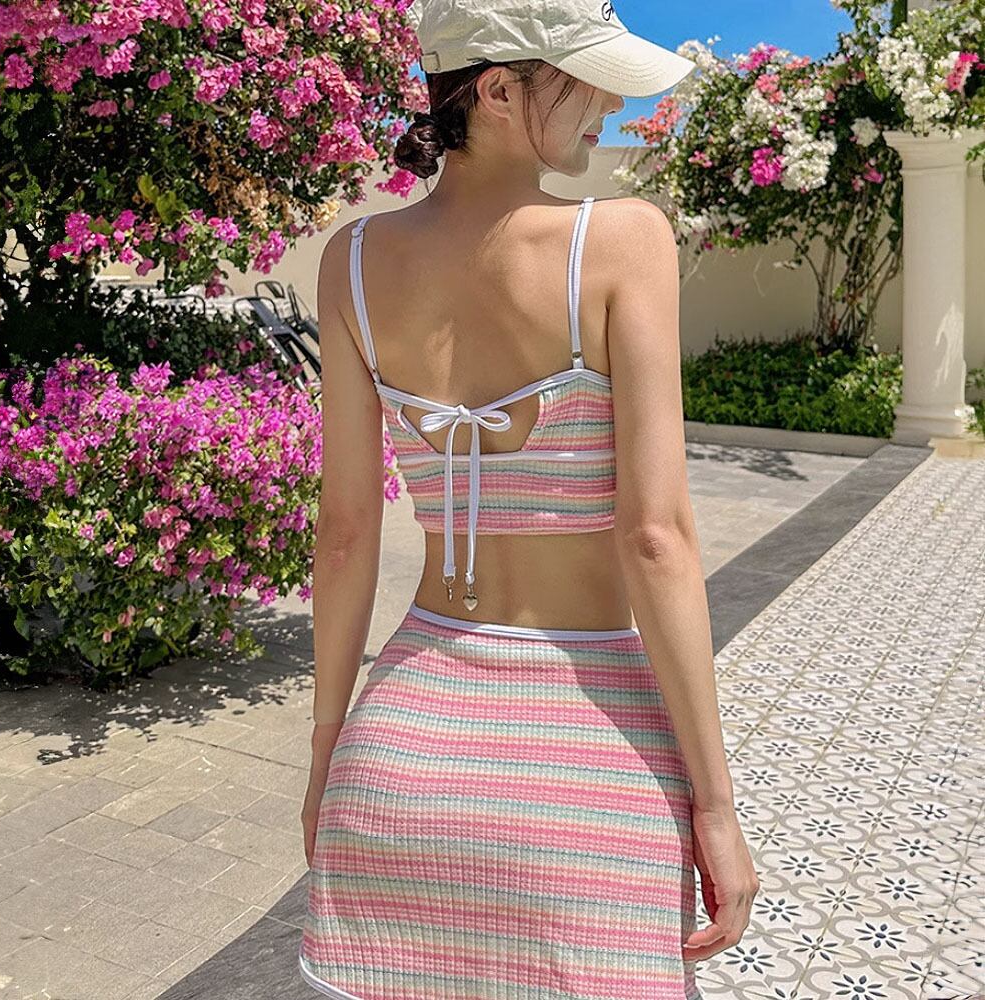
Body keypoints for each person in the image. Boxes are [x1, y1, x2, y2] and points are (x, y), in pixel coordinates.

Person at [299, 0, 759, 996]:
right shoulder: (622, 241)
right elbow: (655, 538)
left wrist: (329, 754)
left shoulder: (353, 261)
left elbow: (344, 535)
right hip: (588, 768)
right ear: (499, 91)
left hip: (398, 762)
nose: (610, 105)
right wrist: (717, 808)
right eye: (587, 78)